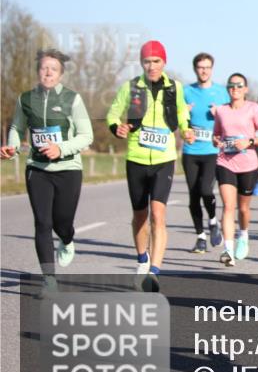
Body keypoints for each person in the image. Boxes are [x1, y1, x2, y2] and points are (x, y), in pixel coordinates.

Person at [1, 49, 94, 295]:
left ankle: (67, 239)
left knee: (62, 223)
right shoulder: (25, 99)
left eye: (53, 68)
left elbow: (87, 136)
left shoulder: (72, 99)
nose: (48, 72)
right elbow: (17, 127)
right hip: (37, 169)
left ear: (61, 74)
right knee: (42, 223)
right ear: (38, 71)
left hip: (68, 170)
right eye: (44, 68)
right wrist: (12, 147)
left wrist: (60, 148)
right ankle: (49, 280)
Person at [107, 40, 194, 291]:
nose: (152, 66)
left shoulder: (175, 88)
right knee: (140, 216)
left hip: (164, 159)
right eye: (147, 61)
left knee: (158, 214)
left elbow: (181, 115)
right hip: (136, 157)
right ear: (141, 63)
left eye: (156, 61)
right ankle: (142, 259)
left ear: (164, 62)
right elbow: (113, 114)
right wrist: (117, 127)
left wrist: (186, 130)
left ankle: (154, 272)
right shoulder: (131, 87)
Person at [212, 74, 258, 266]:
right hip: (225, 162)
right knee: (228, 206)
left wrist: (250, 141)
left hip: (248, 164)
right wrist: (216, 141)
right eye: (231, 85)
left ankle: (244, 235)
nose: (235, 88)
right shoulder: (221, 111)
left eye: (239, 85)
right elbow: (216, 135)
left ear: (245, 89)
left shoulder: (253, 109)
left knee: (243, 208)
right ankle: (228, 250)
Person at [182, 52, 229, 254]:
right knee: (193, 196)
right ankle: (200, 237)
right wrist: (183, 116)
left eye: (207, 67)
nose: (204, 70)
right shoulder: (186, 92)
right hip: (190, 150)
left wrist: (220, 112)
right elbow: (177, 120)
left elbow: (231, 117)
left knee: (206, 190)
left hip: (211, 150)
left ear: (212, 69)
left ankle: (212, 220)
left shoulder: (221, 93)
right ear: (195, 69)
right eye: (201, 67)